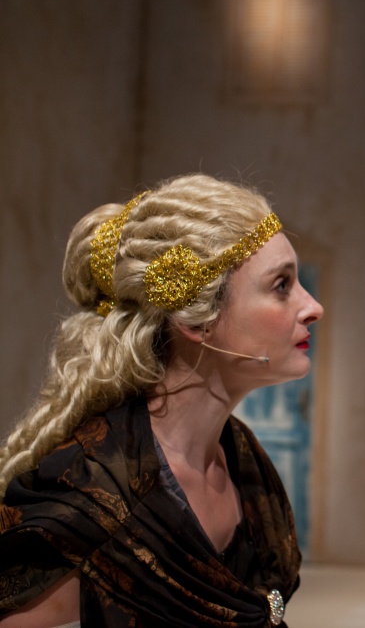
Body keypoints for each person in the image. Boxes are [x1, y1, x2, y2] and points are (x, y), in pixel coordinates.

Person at [0, 174, 323, 627]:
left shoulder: (246, 461)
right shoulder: (98, 497)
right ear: (196, 320)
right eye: (281, 285)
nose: (313, 307)